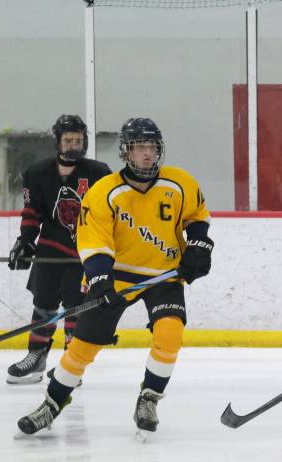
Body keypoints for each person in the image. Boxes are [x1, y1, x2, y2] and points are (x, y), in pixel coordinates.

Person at [16, 117, 213, 440]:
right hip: (117, 276)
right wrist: (99, 281)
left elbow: (197, 220)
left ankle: (149, 398)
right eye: (139, 148)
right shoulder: (104, 191)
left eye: (151, 147)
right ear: (126, 152)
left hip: (164, 275)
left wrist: (199, 247)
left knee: (170, 333)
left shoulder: (180, 183)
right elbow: (94, 242)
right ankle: (51, 403)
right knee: (83, 347)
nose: (147, 155)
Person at [6, 114, 112, 383]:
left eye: (78, 140)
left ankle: (69, 364)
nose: (73, 145)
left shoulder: (100, 173)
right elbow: (33, 212)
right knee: (43, 303)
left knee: (76, 308)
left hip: (84, 252)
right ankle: (36, 357)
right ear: (58, 142)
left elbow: (111, 213)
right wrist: (25, 241)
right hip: (50, 250)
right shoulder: (38, 172)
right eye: (68, 140)